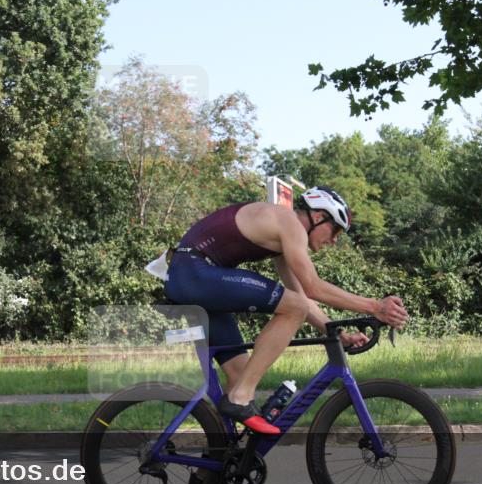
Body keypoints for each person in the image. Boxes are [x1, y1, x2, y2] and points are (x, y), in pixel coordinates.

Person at [163, 186, 409, 435]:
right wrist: (376, 306)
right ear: (317, 216)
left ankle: (219, 463)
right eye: (335, 230)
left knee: (240, 373)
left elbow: (303, 296)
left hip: (195, 278)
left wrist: (339, 334)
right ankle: (239, 398)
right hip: (194, 274)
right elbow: (313, 289)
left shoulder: (283, 240)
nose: (334, 240)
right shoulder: (289, 222)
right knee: (242, 391)